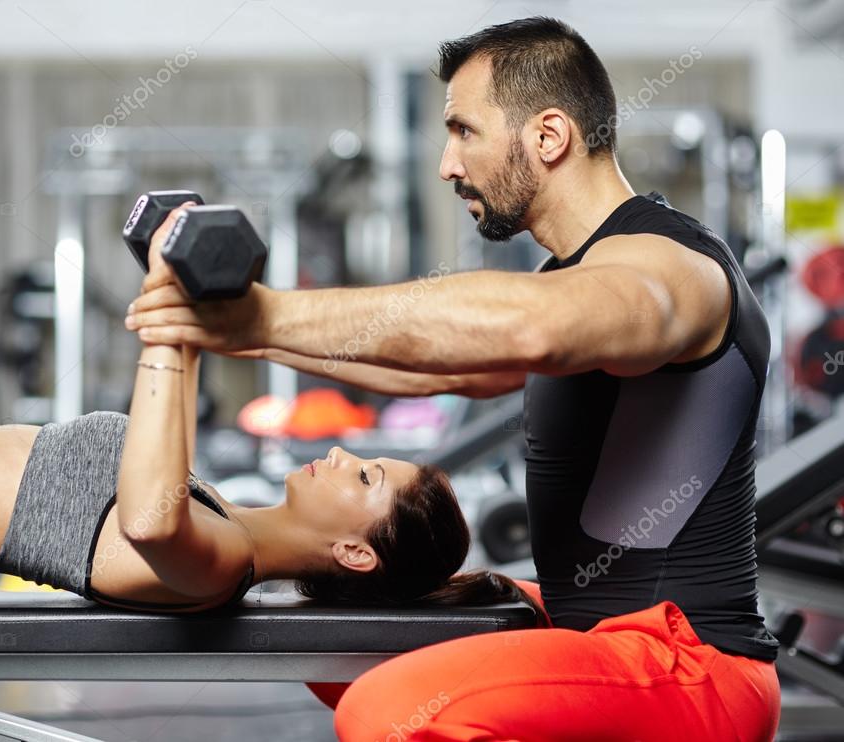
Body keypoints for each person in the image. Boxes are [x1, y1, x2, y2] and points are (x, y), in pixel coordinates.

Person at [124, 16, 782, 742]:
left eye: (463, 131)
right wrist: (231, 333)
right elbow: (452, 366)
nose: (446, 164)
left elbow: (528, 326)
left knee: (386, 710)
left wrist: (267, 316)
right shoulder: (578, 271)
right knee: (349, 647)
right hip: (598, 631)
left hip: (689, 665)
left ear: (548, 136)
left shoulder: (668, 269)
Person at [0, 229, 546, 630]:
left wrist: (175, 336)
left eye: (367, 476)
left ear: (355, 553)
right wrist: (226, 320)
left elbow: (147, 521)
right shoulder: (224, 515)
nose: (339, 450)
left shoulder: (219, 565)